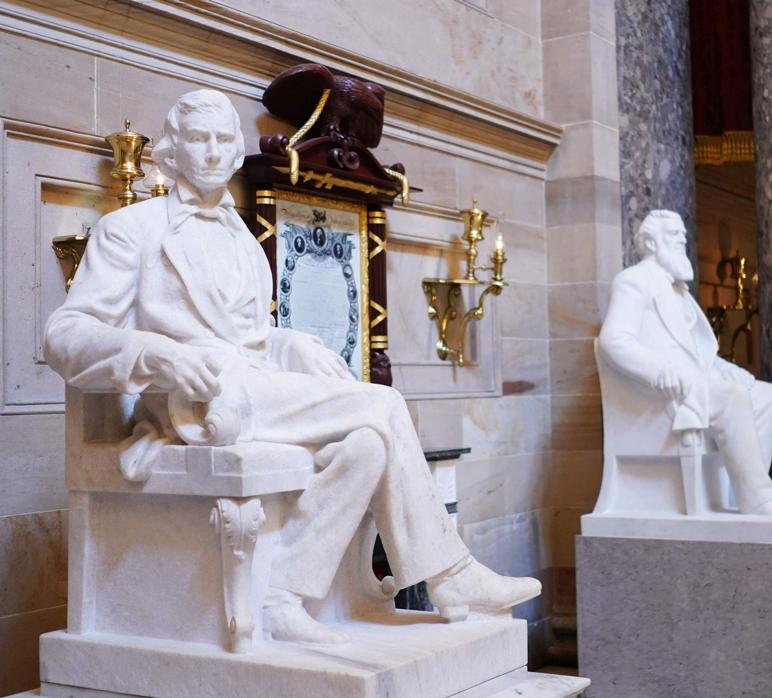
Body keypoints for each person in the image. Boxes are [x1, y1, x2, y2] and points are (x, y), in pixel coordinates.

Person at [44, 89, 539, 645]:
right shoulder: (130, 231)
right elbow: (65, 337)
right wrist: (157, 354)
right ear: (173, 151)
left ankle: (284, 596)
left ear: (237, 154)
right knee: (382, 402)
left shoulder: (247, 244)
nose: (211, 152)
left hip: (250, 391)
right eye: (198, 139)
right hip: (192, 406)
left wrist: (292, 345)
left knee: (366, 447)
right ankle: (450, 575)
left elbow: (252, 340)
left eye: (223, 139)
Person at [597, 209, 772, 515]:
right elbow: (613, 340)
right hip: (664, 392)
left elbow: (697, 354)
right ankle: (758, 498)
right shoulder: (633, 281)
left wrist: (728, 369)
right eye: (674, 235)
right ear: (651, 242)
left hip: (696, 382)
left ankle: (737, 490)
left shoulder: (680, 291)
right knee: (731, 398)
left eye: (683, 235)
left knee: (770, 396)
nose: (683, 239)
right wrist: (660, 371)